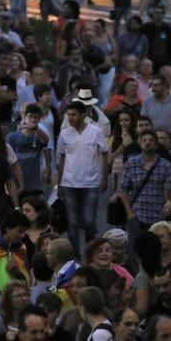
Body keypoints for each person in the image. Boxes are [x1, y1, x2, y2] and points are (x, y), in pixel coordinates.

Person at [57, 101, 108, 260]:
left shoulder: (96, 131)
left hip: (90, 182)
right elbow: (62, 158)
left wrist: (104, 178)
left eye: (74, 114)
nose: (71, 118)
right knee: (72, 222)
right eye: (69, 115)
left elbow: (105, 154)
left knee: (88, 221)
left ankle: (90, 251)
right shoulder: (65, 134)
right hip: (69, 183)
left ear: (83, 115)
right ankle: (75, 256)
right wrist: (59, 183)